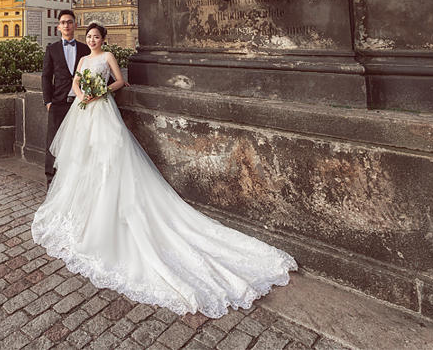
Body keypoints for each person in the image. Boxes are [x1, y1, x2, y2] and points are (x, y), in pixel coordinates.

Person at [32, 23, 296, 317]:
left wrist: (102, 90)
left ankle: (110, 206)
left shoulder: (107, 57)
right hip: (84, 112)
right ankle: (85, 207)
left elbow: (120, 81)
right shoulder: (82, 59)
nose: (93, 40)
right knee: (83, 159)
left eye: (97, 37)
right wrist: (83, 95)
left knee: (109, 158)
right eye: (90, 37)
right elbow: (74, 84)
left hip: (104, 110)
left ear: (103, 39)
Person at [41, 9, 90, 186]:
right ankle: (51, 181)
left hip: (79, 103)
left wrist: (118, 81)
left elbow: (95, 70)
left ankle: (75, 181)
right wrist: (48, 101)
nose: (66, 25)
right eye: (63, 22)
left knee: (79, 142)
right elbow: (46, 76)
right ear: (58, 27)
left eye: (69, 22)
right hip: (58, 103)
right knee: (53, 143)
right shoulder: (51, 49)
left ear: (75, 25)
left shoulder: (85, 48)